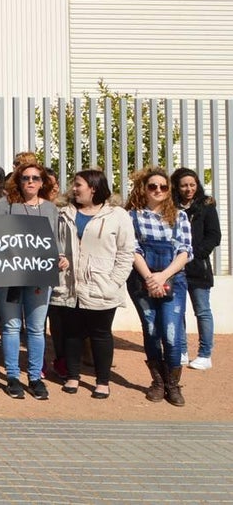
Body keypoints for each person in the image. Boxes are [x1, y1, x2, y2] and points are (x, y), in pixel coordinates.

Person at [51, 170, 134, 399]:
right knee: (72, 334)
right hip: (69, 285)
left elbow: (126, 252)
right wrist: (59, 259)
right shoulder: (64, 213)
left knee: (101, 334)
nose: (74, 189)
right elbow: (56, 245)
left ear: (94, 188)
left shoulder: (117, 215)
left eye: (78, 185)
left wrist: (113, 282)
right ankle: (73, 376)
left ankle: (102, 381)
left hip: (101, 286)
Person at [0, 159, 61, 399]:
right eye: (25, 178)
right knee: (11, 326)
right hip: (9, 275)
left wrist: (61, 257)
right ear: (18, 181)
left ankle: (35, 377)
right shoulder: (6, 204)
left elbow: (54, 242)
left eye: (35, 178)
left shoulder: (51, 209)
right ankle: (12, 375)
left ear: (43, 182)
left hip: (39, 276)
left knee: (36, 328)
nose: (30, 182)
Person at [126, 166, 192, 407]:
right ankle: (158, 382)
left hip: (173, 278)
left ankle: (173, 385)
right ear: (144, 189)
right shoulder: (132, 216)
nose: (158, 190)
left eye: (163, 187)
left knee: (172, 333)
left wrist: (162, 276)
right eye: (152, 186)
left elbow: (185, 252)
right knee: (152, 331)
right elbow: (133, 250)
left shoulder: (180, 217)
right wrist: (149, 278)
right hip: (142, 280)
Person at [171, 167, 219, 370]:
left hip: (199, 268)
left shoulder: (206, 206)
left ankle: (205, 354)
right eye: (184, 185)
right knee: (177, 312)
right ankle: (181, 351)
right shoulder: (171, 206)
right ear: (177, 187)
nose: (189, 189)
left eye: (192, 184)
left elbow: (214, 236)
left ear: (197, 185)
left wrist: (194, 254)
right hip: (176, 269)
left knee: (202, 311)